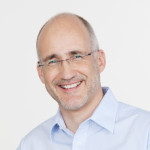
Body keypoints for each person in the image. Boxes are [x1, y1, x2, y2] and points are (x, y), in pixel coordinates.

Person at [17, 13, 150, 150]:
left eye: (76, 56)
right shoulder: (29, 145)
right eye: (52, 61)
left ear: (99, 61)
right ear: (41, 73)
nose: (66, 74)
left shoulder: (145, 133)